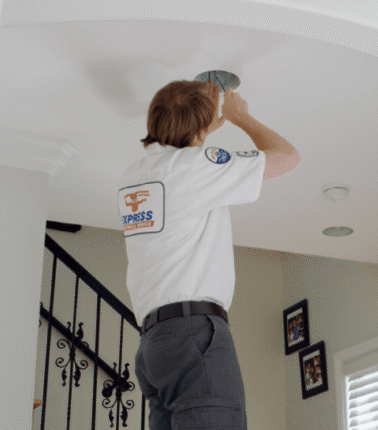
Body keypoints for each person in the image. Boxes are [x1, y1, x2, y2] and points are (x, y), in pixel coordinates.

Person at [118, 79, 300, 429]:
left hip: (155, 347)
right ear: (200, 130)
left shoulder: (134, 176)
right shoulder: (194, 167)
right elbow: (287, 157)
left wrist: (197, 132)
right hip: (192, 337)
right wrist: (239, 117)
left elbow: (181, 167)